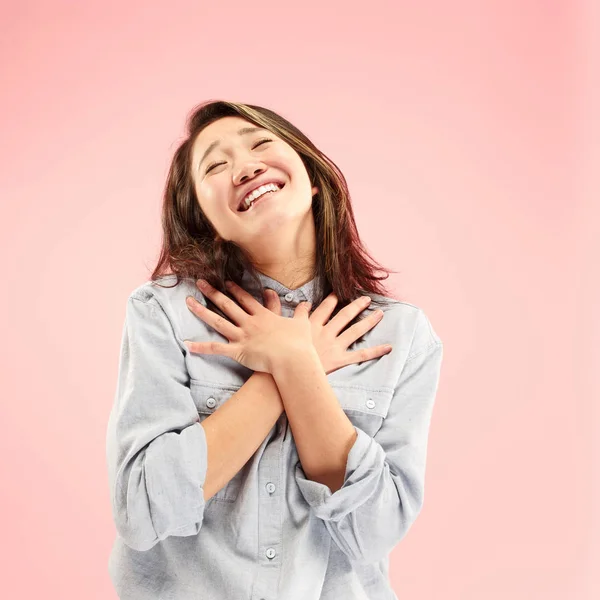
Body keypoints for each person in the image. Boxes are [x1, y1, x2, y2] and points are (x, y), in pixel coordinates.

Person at [105, 100, 444, 599]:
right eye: (215, 166)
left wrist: (293, 362)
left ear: (311, 178)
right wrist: (291, 364)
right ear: (207, 220)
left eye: (261, 143)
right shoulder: (165, 313)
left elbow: (372, 532)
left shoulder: (402, 333)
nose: (245, 165)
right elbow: (142, 509)